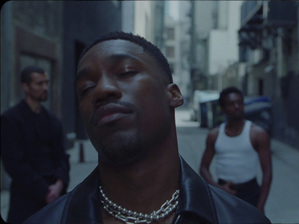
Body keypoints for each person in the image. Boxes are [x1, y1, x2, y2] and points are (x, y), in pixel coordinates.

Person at [25, 31, 271, 224]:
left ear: (173, 94)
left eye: (125, 71)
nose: (101, 90)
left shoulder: (243, 219)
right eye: (86, 88)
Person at [1, 65, 70, 223]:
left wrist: (59, 184)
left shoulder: (53, 121)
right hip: (26, 197)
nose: (45, 88)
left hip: (55, 195)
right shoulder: (11, 119)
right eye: (39, 84)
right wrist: (44, 191)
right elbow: (14, 164)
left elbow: (62, 157)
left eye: (46, 83)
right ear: (25, 86)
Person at [200, 86, 273, 214]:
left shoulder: (257, 134)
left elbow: (267, 173)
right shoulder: (214, 135)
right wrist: (218, 188)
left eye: (239, 103)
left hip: (251, 192)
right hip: (223, 191)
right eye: (231, 104)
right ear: (222, 109)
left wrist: (260, 206)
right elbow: (203, 168)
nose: (237, 106)